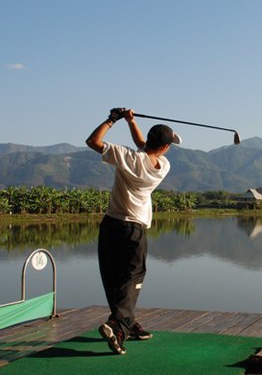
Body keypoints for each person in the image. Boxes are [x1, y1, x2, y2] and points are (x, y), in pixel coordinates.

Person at [86, 108, 181, 355]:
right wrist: (130, 121)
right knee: (133, 278)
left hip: (110, 225)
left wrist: (113, 120)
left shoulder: (127, 157)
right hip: (133, 228)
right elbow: (144, 146)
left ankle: (125, 322)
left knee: (113, 277)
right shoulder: (163, 166)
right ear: (166, 147)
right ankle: (119, 325)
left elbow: (92, 142)